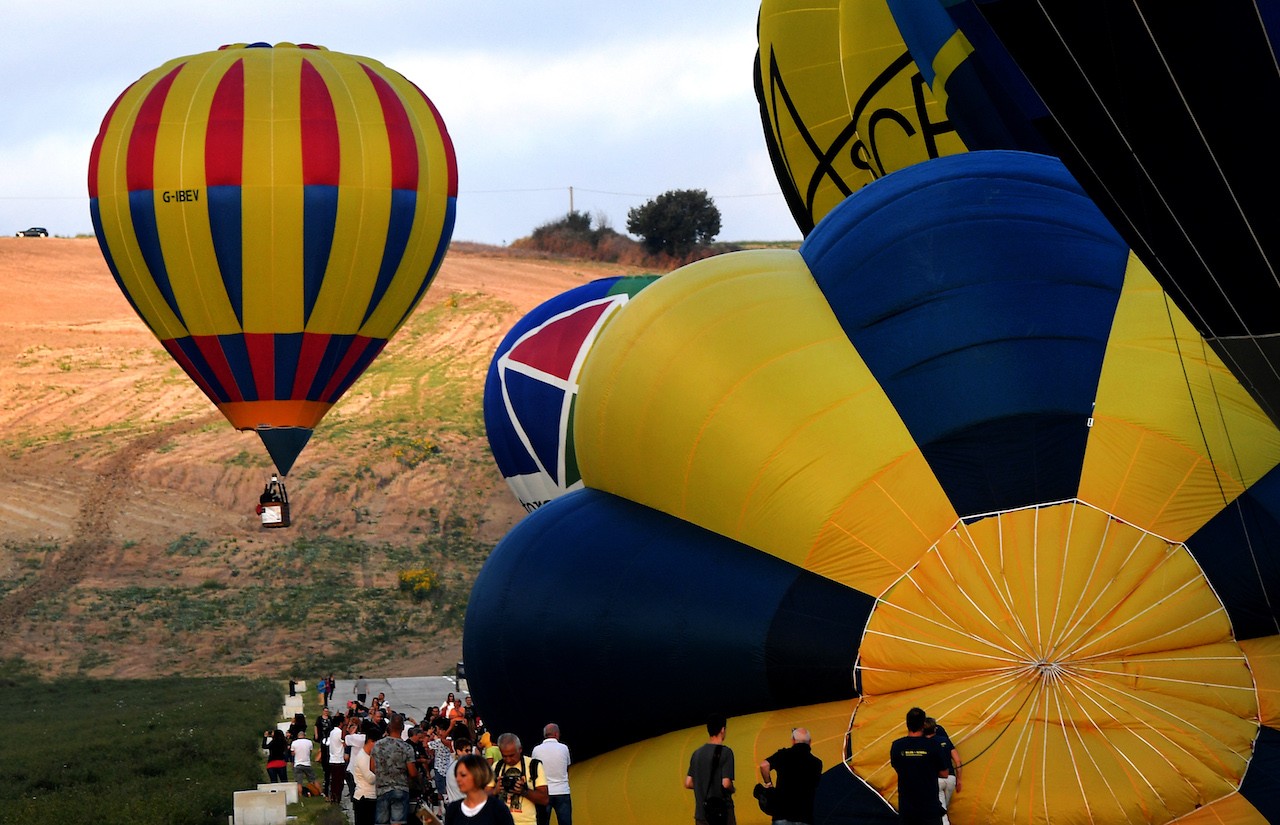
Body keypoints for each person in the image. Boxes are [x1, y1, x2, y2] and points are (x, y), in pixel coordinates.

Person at [890, 708, 946, 825]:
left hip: (908, 808)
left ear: (907, 724)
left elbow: (897, 767)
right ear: (923, 724)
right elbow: (944, 773)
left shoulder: (897, 746)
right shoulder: (934, 745)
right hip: (929, 808)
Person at [758, 727, 822, 825]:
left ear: (793, 741)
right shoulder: (816, 763)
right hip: (804, 816)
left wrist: (768, 784)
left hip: (781, 814)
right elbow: (815, 785)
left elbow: (764, 765)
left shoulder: (783, 755)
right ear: (810, 742)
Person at [685, 715, 735, 825]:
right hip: (722, 813)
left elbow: (688, 783)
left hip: (702, 814)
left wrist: (702, 785)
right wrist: (733, 789)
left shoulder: (696, 754)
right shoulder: (726, 752)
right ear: (723, 730)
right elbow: (726, 784)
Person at [490, 732, 549, 825]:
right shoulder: (496, 767)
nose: (508, 760)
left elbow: (544, 799)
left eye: (511, 755)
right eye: (504, 756)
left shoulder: (533, 766)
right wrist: (495, 791)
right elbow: (483, 797)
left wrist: (524, 791)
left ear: (520, 749)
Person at [372, 713, 419, 825]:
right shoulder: (407, 747)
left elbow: (372, 767)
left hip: (382, 789)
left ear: (389, 727)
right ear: (403, 728)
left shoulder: (378, 745)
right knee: (398, 822)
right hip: (400, 788)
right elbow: (412, 772)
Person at [445, 753, 515, 825]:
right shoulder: (453, 809)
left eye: (463, 775)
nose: (458, 779)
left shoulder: (498, 809)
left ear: (477, 775)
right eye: (456, 775)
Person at [530, 723, 571, 825]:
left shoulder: (536, 749)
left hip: (543, 792)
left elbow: (533, 770)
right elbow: (567, 767)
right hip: (562, 790)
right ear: (557, 734)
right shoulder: (564, 748)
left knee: (542, 822)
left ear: (545, 735)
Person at [923, 717, 961, 825]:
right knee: (942, 808)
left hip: (936, 780)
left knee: (941, 813)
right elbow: (958, 761)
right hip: (951, 779)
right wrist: (959, 780)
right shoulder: (945, 741)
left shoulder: (924, 744)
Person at [352, 722, 382, 825]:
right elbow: (370, 778)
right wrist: (381, 772)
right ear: (371, 741)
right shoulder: (363, 757)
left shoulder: (371, 756)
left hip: (372, 797)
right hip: (364, 798)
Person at [291, 728, 323, 798]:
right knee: (313, 779)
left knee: (299, 782)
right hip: (307, 763)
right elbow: (310, 752)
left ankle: (300, 796)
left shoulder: (294, 743)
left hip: (298, 764)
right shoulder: (309, 742)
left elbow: (293, 754)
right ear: (304, 735)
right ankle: (320, 792)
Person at [326, 713, 348, 804]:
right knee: (339, 782)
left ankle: (333, 797)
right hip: (339, 760)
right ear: (340, 723)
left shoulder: (332, 732)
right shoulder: (339, 733)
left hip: (332, 759)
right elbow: (345, 743)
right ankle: (337, 798)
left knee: (334, 781)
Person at [444, 737, 473, 804]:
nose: (469, 753)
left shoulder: (453, 765)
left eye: (470, 750)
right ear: (458, 751)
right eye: (466, 751)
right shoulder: (461, 768)